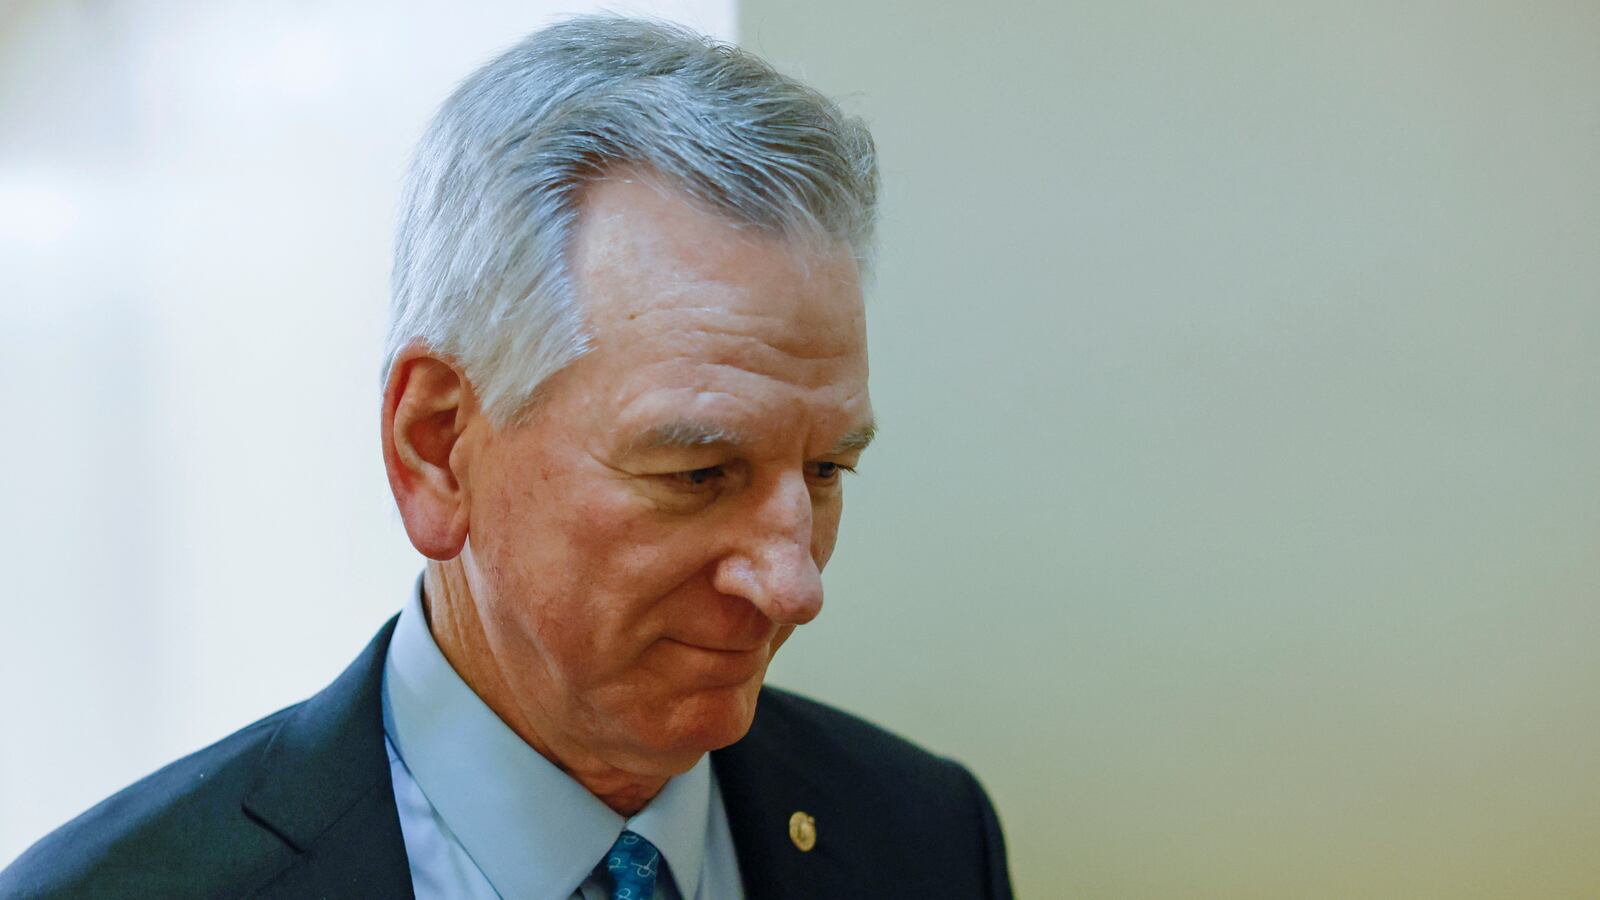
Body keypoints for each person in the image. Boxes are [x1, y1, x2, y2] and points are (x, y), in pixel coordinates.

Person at [0, 16, 1012, 899]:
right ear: (437, 448)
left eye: (826, 471)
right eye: (698, 476)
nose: (792, 587)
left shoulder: (925, 835)